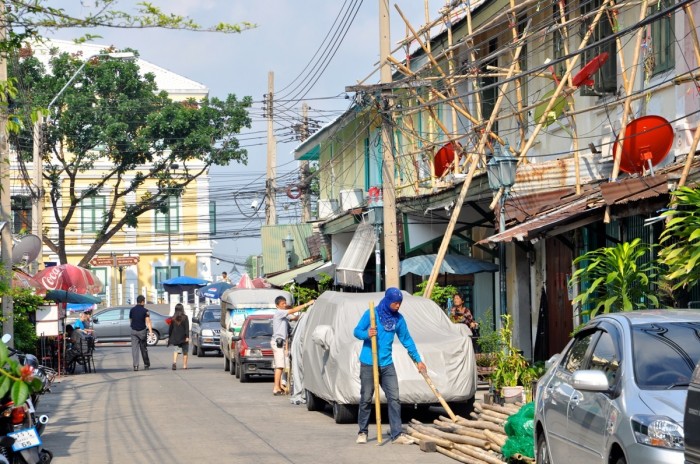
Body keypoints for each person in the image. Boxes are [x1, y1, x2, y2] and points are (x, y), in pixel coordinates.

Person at [353, 287, 426, 445]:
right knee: (366, 399)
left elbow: (407, 340)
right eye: (394, 303)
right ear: (387, 301)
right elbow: (356, 331)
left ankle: (397, 434)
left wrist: (418, 360)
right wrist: (367, 334)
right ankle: (362, 432)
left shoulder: (398, 320)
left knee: (394, 399)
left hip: (387, 365)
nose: (397, 306)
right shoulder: (371, 314)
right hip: (368, 363)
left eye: (399, 303)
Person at [271, 296, 314, 395]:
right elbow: (293, 310)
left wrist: (305, 315)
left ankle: (280, 385)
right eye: (282, 304)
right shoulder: (279, 312)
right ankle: (276, 388)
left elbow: (294, 317)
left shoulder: (284, 314)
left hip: (282, 343)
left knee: (282, 366)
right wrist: (307, 304)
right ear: (277, 305)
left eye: (285, 303)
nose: (285, 305)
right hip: (277, 342)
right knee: (279, 366)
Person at [129, 295, 153, 371]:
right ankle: (146, 364)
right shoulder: (145, 311)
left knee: (134, 349)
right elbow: (148, 322)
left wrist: (132, 326)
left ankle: (135, 366)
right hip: (142, 331)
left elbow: (130, 320)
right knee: (143, 348)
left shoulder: (132, 310)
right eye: (144, 301)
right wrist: (151, 332)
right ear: (142, 302)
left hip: (134, 331)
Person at [168, 303, 190, 370]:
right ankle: (184, 365)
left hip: (175, 337)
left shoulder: (173, 318)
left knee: (176, 350)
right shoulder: (185, 317)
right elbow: (187, 328)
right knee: (185, 351)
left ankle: (174, 363)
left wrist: (170, 336)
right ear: (182, 309)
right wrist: (187, 336)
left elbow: (170, 328)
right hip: (183, 337)